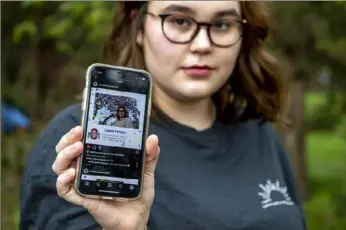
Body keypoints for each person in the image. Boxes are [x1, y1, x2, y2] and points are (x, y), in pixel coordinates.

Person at [20, 1, 307, 230]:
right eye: (180, 21)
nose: (203, 44)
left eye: (222, 24)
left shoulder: (258, 133)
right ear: (139, 25)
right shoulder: (79, 141)